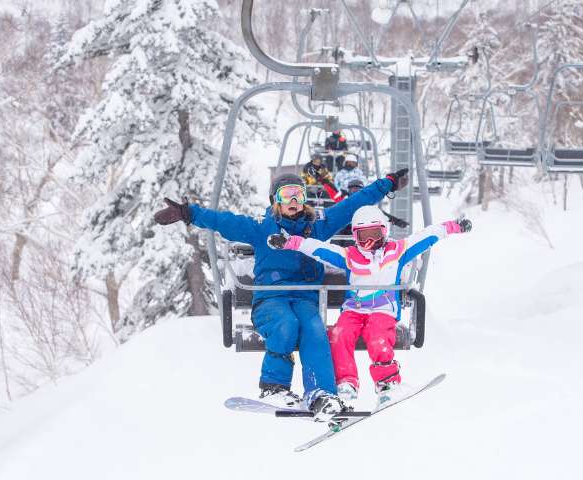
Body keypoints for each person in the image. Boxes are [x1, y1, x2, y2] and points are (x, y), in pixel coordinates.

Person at [153, 170, 410, 421]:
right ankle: (273, 387)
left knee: (315, 331)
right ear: (276, 200)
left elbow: (351, 205)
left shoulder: (316, 228)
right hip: (270, 301)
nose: (294, 202)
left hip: (306, 300)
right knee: (286, 325)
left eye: (299, 194)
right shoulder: (260, 228)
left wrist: (385, 185)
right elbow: (223, 221)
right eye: (287, 195)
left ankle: (322, 394)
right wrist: (188, 213)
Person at [267, 206, 471, 406]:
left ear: (385, 231)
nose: (370, 242)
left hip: (383, 311)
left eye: (375, 234)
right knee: (340, 334)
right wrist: (291, 242)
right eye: (363, 236)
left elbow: (425, 237)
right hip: (354, 310)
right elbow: (319, 249)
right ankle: (346, 382)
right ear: (355, 236)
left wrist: (453, 227)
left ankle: (387, 383)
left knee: (378, 336)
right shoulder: (350, 256)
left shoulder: (398, 251)